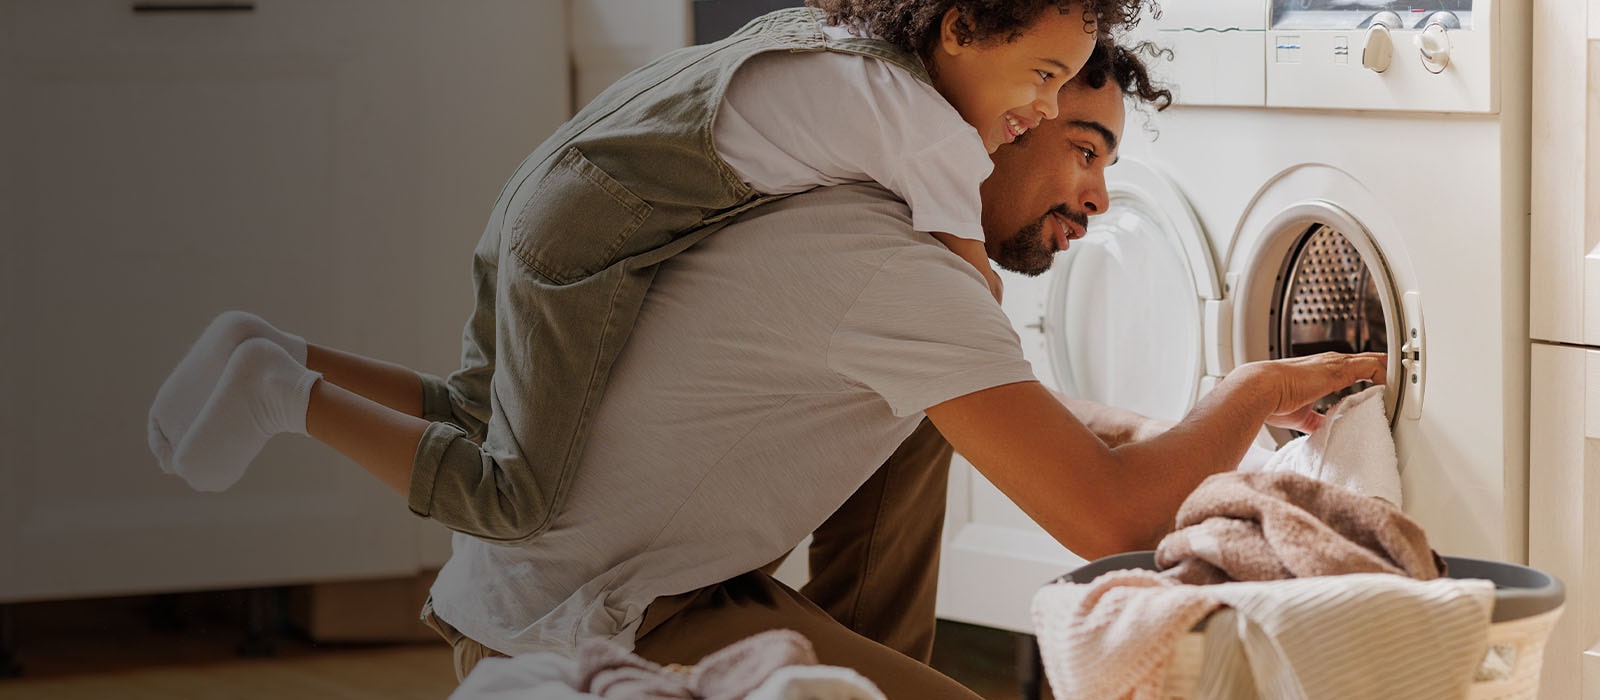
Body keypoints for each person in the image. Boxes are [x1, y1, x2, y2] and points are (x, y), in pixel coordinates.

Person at [143, 40, 1383, 698]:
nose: (1098, 195)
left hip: (620, 578)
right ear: (991, 110)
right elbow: (1104, 508)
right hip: (601, 619)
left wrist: (1212, 427)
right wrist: (1250, 394)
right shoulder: (890, 270)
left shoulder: (872, 224)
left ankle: (848, 666)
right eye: (1073, 138)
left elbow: (1044, 430)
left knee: (933, 420)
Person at [146, 0, 1152, 544]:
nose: (1039, 106)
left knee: (471, 404)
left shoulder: (842, 44)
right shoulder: (927, 132)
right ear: (961, 28)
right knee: (514, 499)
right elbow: (968, 297)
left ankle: (270, 348)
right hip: (592, 238)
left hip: (549, 194)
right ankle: (289, 394)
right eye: (1044, 80)